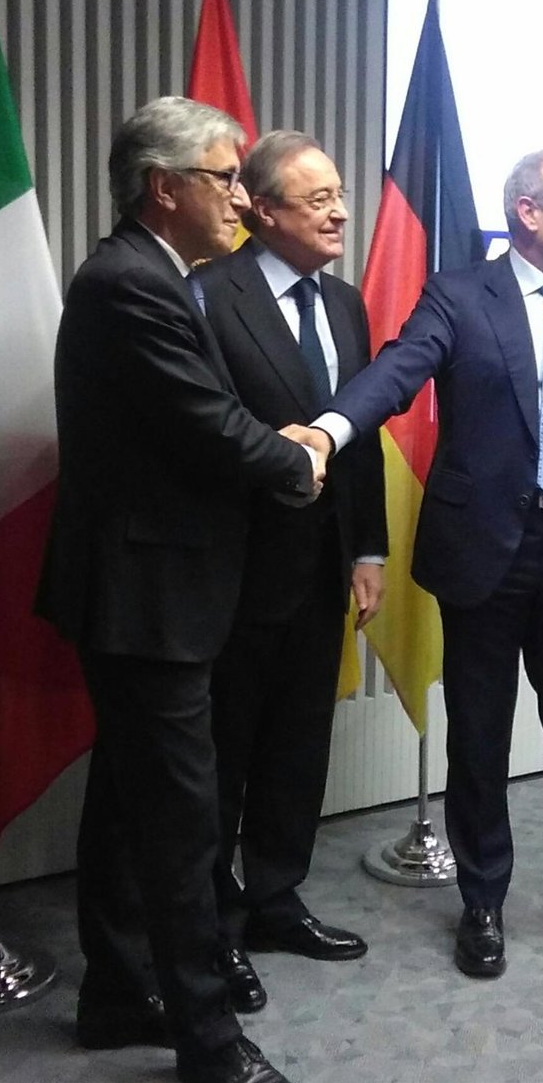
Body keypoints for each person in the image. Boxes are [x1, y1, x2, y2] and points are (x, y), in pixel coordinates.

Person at [311, 148, 543, 979]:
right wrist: (328, 429)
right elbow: (398, 371)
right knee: (480, 737)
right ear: (528, 212)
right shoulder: (461, 296)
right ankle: (483, 899)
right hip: (484, 551)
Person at [36, 96, 317, 1083]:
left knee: (128, 802)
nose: (241, 196)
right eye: (225, 177)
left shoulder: (164, 275)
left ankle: (117, 994)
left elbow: (197, 417)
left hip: (157, 588)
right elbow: (208, 422)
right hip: (145, 596)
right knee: (182, 821)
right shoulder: (129, 282)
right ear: (165, 187)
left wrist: (276, 442)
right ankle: (209, 1040)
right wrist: (296, 459)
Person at [198, 131, 385, 982]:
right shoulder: (208, 294)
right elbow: (206, 435)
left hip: (323, 567)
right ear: (263, 210)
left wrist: (368, 548)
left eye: (339, 194)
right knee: (222, 754)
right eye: (318, 200)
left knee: (299, 744)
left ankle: (276, 897)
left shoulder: (345, 303)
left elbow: (359, 435)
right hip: (234, 571)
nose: (340, 212)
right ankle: (213, 924)